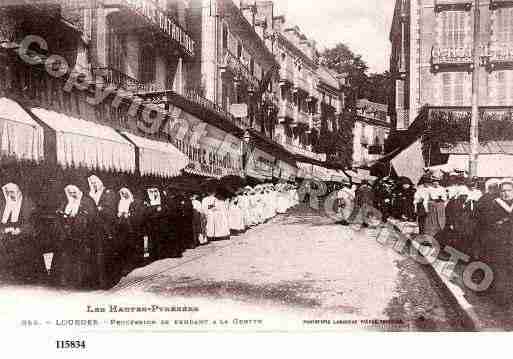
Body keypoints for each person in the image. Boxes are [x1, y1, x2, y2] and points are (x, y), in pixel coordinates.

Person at [475, 180, 513, 306]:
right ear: (499, 192)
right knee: (500, 271)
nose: (506, 193)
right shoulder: (493, 205)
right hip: (499, 244)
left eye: (509, 190)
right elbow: (487, 223)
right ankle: (502, 299)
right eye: (503, 191)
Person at [53, 185, 97, 288]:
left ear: (79, 191)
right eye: (70, 192)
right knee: (65, 256)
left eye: (74, 192)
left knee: (80, 259)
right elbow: (58, 215)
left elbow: (91, 218)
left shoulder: (87, 201)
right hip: (67, 236)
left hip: (83, 236)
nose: (72, 194)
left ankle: (80, 282)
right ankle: (65, 281)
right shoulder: (65, 202)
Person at [0, 183, 45, 283]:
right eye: (8, 192)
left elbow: (33, 224)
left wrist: (20, 230)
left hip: (24, 239)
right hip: (5, 239)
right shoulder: (3, 204)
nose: (10, 194)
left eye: (12, 192)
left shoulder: (28, 203)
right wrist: (3, 230)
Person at [87, 175, 117, 289]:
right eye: (91, 182)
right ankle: (95, 281)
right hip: (92, 229)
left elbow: (109, 210)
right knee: (94, 255)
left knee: (104, 255)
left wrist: (98, 210)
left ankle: (106, 282)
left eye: (96, 182)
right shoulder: (89, 194)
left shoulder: (109, 193)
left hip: (105, 229)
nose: (94, 184)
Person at [114, 187, 143, 276]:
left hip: (131, 226)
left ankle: (131, 264)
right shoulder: (120, 202)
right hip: (121, 225)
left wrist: (129, 214)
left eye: (125, 192)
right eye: (122, 193)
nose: (123, 194)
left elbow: (137, 213)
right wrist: (119, 214)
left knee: (131, 245)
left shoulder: (133, 202)